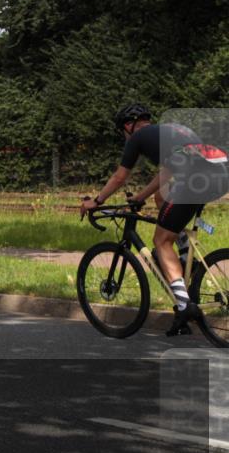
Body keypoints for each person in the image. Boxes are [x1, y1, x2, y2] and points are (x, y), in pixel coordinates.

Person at [80, 104, 229, 336]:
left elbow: (120, 177)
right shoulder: (173, 131)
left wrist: (96, 201)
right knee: (162, 198)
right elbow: (166, 174)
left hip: (194, 178)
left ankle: (184, 305)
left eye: (122, 131)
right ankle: (184, 260)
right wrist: (140, 197)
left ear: (128, 126)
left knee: (160, 241)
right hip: (220, 174)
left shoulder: (137, 138)